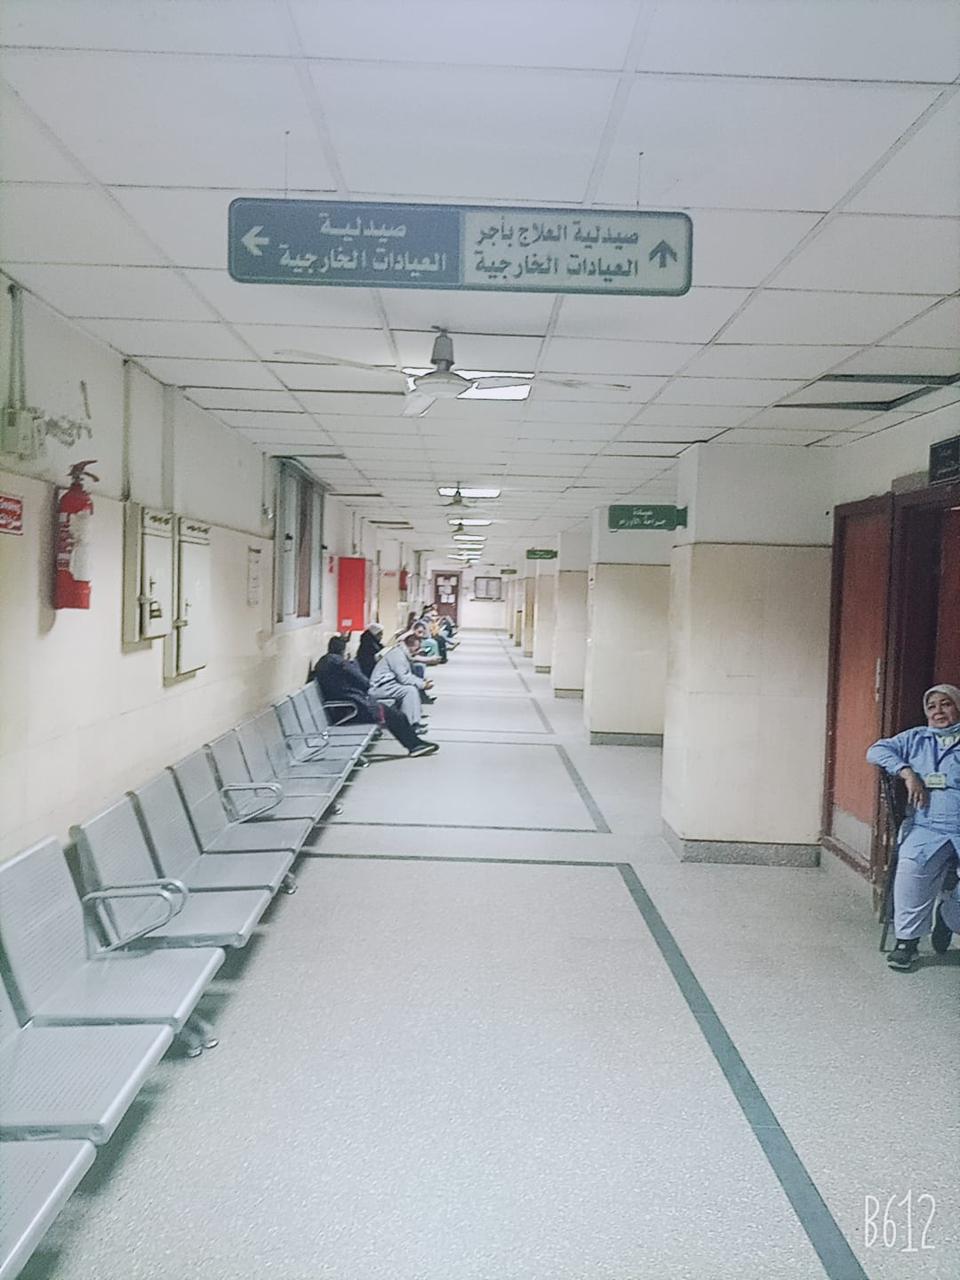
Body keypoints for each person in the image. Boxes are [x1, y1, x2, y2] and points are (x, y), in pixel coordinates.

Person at [866, 684, 960, 970]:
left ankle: (948, 916)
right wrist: (906, 772)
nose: (938, 711)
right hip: (927, 825)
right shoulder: (916, 738)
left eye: (946, 704)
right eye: (932, 706)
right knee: (910, 867)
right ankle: (907, 942)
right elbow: (876, 750)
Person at [312, 636, 438, 757]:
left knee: (397, 715)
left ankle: (416, 744)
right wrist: (350, 663)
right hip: (353, 708)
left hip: (347, 706)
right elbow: (365, 683)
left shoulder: (324, 663)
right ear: (343, 650)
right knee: (397, 716)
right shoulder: (341, 664)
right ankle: (415, 745)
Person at [369, 632, 433, 729]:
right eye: (416, 649)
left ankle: (414, 721)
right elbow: (404, 678)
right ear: (409, 646)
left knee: (411, 689)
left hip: (389, 685)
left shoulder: (402, 654)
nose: (417, 652)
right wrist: (422, 684)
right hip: (380, 687)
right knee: (409, 691)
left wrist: (422, 682)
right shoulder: (398, 656)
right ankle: (409, 724)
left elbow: (407, 675)